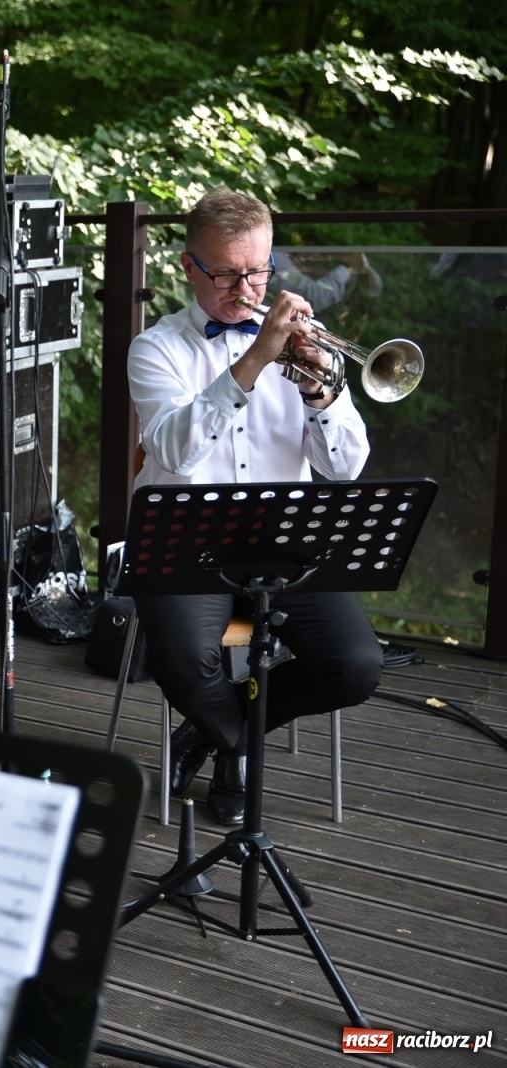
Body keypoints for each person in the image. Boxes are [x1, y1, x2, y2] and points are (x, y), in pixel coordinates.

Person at [126, 188, 383, 824]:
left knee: (355, 666)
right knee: (185, 662)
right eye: (228, 274)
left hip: (281, 544)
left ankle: (214, 737)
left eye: (258, 271)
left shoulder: (303, 344)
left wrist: (322, 390)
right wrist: (252, 360)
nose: (246, 289)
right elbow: (173, 450)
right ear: (189, 267)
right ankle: (235, 749)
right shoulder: (156, 349)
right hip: (185, 542)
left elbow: (346, 466)